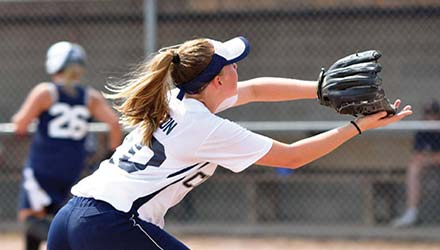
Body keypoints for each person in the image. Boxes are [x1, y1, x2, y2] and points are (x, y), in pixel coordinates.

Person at [46, 36, 412, 250]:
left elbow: (254, 90)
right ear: (217, 81)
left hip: (71, 215)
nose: (239, 71)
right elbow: (293, 156)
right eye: (232, 66)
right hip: (111, 223)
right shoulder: (203, 127)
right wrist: (359, 127)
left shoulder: (178, 97)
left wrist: (316, 89)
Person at [12, 41, 123, 250]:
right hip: (73, 167)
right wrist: (109, 153)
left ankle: (68, 241)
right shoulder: (90, 97)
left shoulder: (46, 92)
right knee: (62, 215)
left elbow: (20, 124)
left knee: (31, 217)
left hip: (42, 167)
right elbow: (114, 124)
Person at [391, 99, 440, 228]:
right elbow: (417, 156)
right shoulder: (422, 129)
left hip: (429, 161)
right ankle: (412, 213)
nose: (431, 117)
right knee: (414, 168)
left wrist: (430, 157)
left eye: (434, 113)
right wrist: (431, 158)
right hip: (428, 164)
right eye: (428, 113)